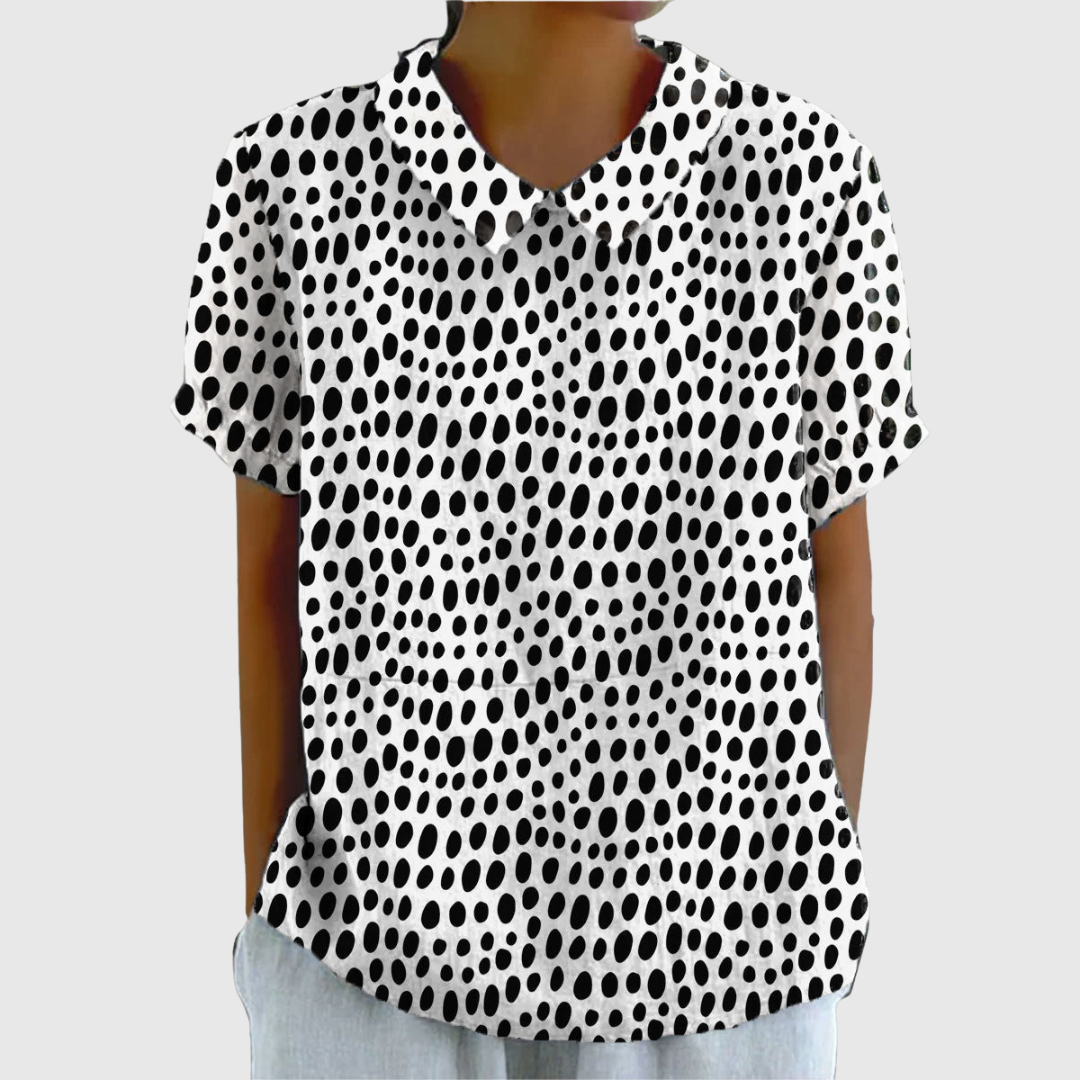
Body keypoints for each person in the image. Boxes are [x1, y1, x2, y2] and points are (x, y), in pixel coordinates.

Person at [169, 1, 928, 1076]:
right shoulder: (289, 182)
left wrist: (792, 891)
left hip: (725, 967)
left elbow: (836, 574)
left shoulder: (807, 182)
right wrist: (275, 942)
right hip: (368, 956)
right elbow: (266, 582)